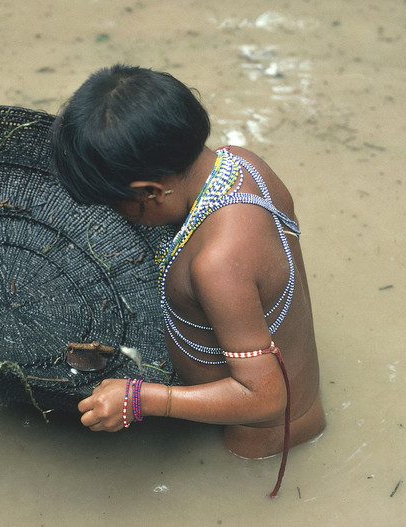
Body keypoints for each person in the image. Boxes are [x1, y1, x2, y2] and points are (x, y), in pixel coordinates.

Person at [51, 65, 325, 495]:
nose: (113, 214)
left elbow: (267, 397)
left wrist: (143, 398)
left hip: (257, 438)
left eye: (115, 204)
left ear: (151, 192)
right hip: (286, 405)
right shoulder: (241, 164)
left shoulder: (217, 265)